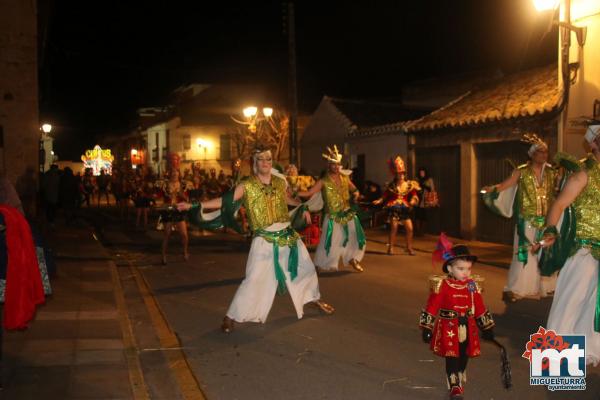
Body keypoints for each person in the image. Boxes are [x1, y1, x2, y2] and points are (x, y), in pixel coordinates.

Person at [178, 146, 334, 333]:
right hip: (264, 240)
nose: (266, 162)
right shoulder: (247, 185)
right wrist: (193, 205)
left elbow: (288, 199)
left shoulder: (279, 182)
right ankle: (231, 316)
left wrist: (303, 207)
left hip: (288, 237)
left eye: (268, 159)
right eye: (261, 159)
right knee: (254, 279)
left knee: (306, 269)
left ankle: (314, 299)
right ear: (255, 163)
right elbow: (224, 201)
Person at [541, 124, 600, 366]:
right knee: (571, 301)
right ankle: (557, 363)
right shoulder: (583, 173)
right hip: (583, 249)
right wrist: (550, 232)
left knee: (594, 305)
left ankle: (586, 352)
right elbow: (558, 205)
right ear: (594, 143)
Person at [482, 133, 558, 302]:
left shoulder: (552, 172)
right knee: (524, 254)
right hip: (526, 221)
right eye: (540, 152)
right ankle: (518, 288)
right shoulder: (521, 171)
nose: (544, 155)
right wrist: (492, 190)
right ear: (532, 154)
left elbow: (558, 191)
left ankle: (546, 286)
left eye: (545, 152)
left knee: (545, 253)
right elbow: (505, 185)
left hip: (545, 221)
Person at [419, 237, 495, 399]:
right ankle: (454, 385)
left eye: (468, 268)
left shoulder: (472, 284)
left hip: (469, 326)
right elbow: (432, 307)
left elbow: (479, 305)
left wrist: (487, 326)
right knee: (452, 355)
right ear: (450, 268)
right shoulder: (443, 286)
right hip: (449, 327)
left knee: (464, 354)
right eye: (461, 268)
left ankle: (459, 373)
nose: (465, 272)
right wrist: (427, 327)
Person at [297, 145, 366, 272]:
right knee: (329, 242)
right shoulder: (323, 181)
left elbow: (355, 189)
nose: (336, 166)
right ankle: (318, 264)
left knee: (356, 236)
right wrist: (295, 193)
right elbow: (309, 193)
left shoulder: (345, 179)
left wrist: (356, 194)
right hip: (332, 215)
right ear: (329, 165)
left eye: (338, 164)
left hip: (347, 213)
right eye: (333, 164)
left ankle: (353, 258)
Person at [373, 156, 420, 255]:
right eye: (399, 174)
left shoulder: (410, 185)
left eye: (402, 174)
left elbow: (414, 195)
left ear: (404, 174)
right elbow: (385, 195)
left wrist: (413, 201)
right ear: (396, 175)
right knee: (394, 228)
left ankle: (409, 248)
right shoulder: (391, 185)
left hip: (405, 210)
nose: (401, 176)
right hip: (394, 209)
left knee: (410, 228)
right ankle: (391, 248)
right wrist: (379, 200)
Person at [160, 169, 189, 264]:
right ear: (170, 175)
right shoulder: (165, 185)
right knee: (167, 234)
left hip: (179, 211)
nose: (175, 175)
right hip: (168, 211)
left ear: (179, 175)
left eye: (176, 174)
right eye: (173, 174)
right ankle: (163, 256)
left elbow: (187, 199)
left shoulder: (183, 185)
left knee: (184, 234)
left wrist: (182, 195)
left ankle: (185, 252)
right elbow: (160, 196)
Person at [414, 167, 435, 235]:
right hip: (417, 200)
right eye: (420, 172)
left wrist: (424, 186)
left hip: (425, 200)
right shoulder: (417, 179)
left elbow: (432, 189)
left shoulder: (429, 180)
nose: (421, 174)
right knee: (417, 216)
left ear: (425, 173)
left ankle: (422, 231)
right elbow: (414, 188)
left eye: (423, 172)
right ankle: (418, 231)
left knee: (424, 216)